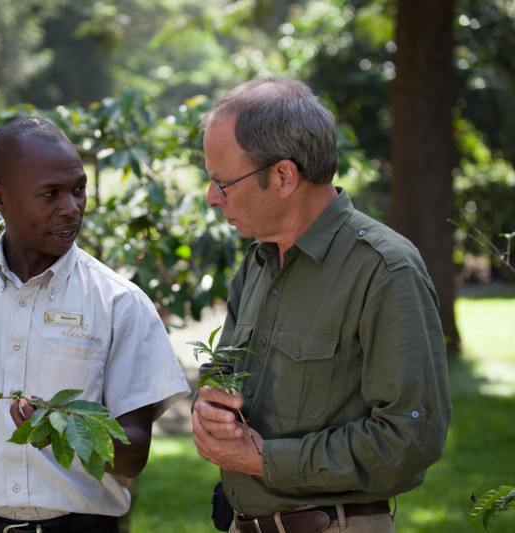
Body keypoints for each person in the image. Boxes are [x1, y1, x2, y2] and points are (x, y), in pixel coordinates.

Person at [0, 116, 190, 533]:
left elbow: (135, 454)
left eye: (78, 189)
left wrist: (64, 427)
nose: (71, 207)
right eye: (50, 194)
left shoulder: (119, 302)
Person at [191, 77, 452, 533]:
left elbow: (410, 439)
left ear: (284, 176)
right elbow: (226, 375)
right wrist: (210, 407)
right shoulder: (256, 262)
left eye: (222, 182)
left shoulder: (385, 270)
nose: (212, 198)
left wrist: (266, 460)